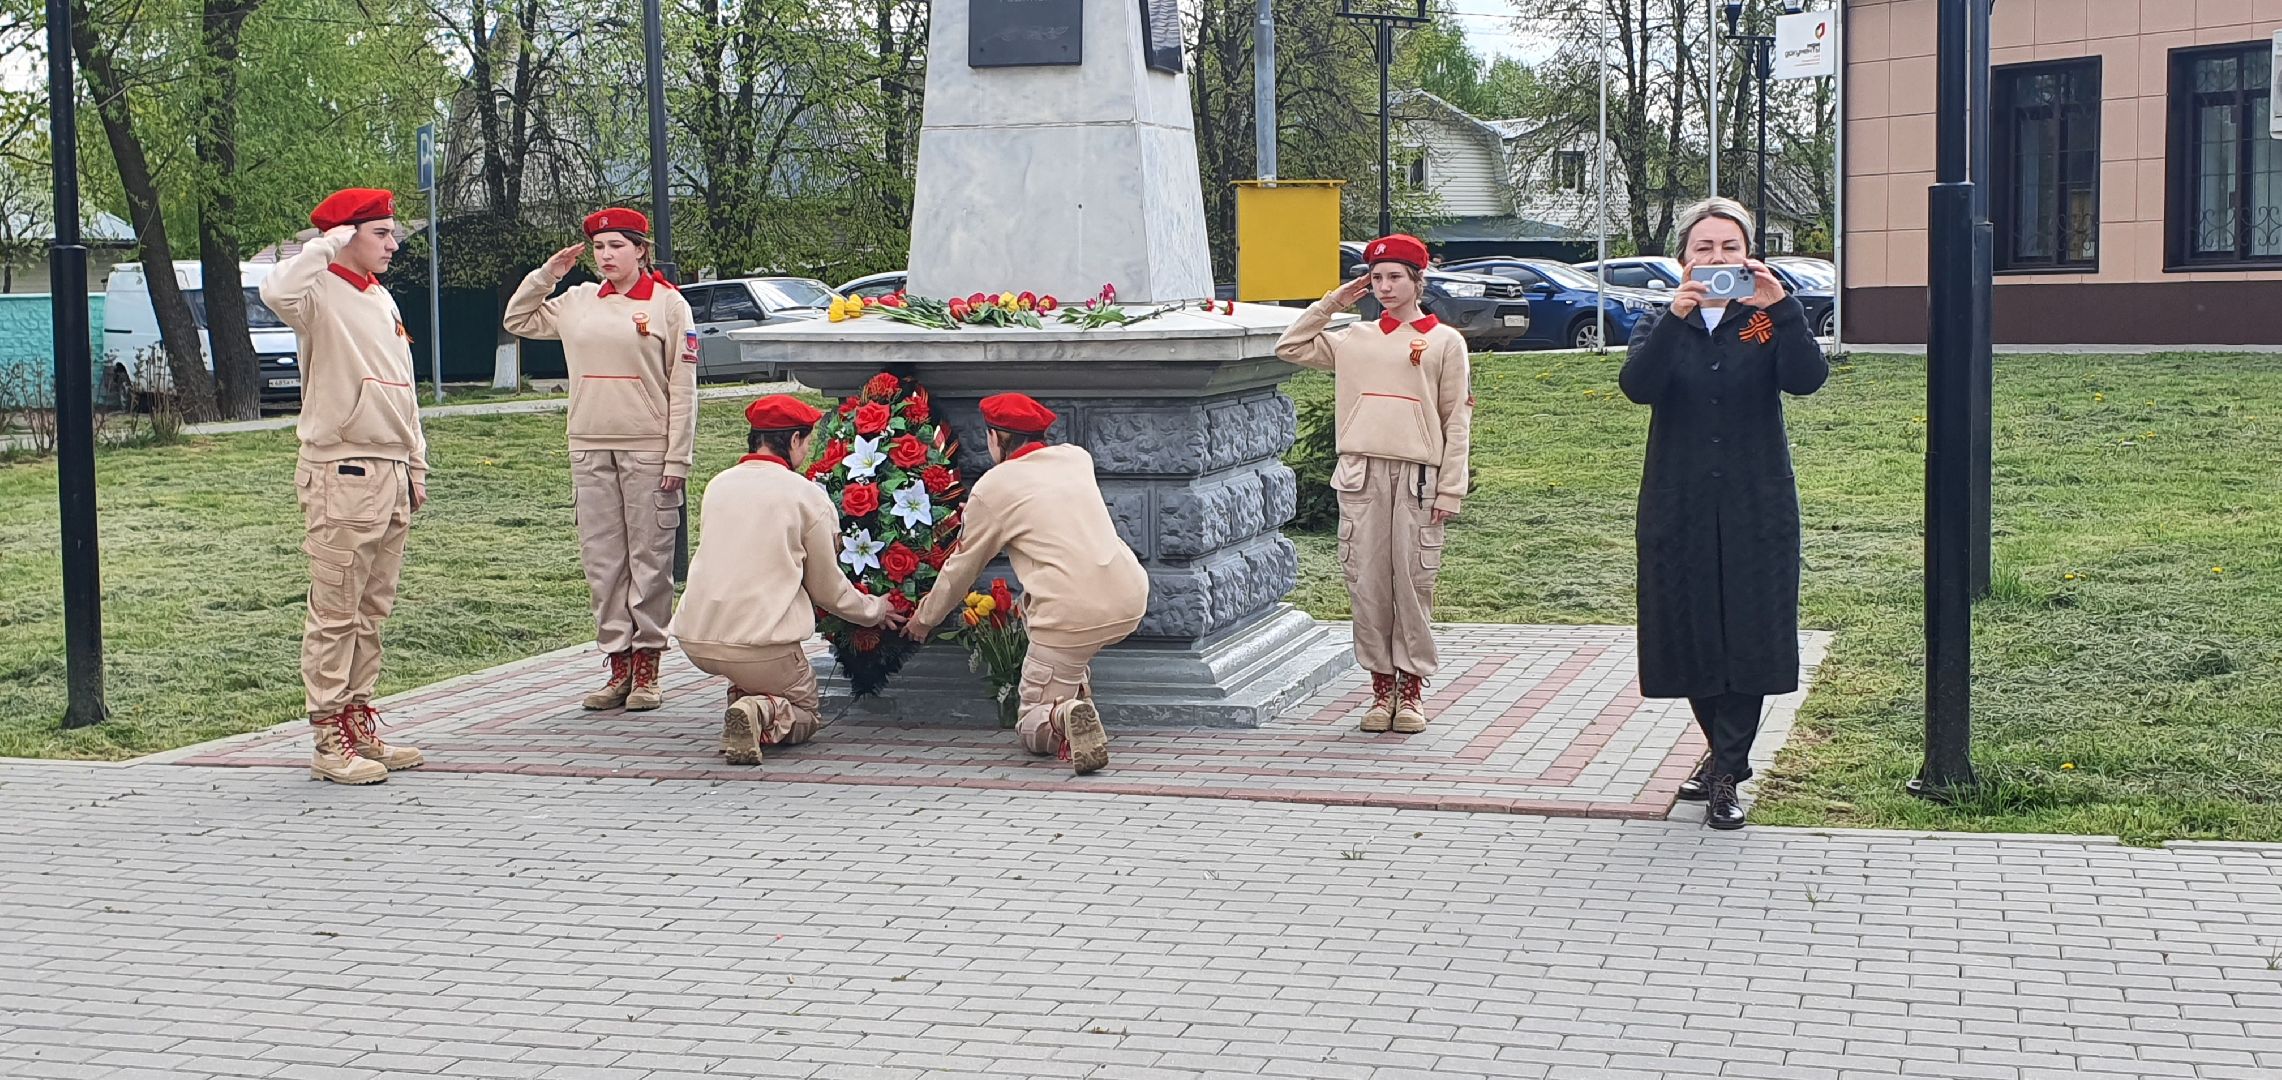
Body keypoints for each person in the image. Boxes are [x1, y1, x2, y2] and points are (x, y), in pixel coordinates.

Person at [1618, 197, 1828, 830]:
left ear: (1749, 255)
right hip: (1677, 501)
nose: (1717, 260)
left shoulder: (1764, 321)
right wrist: (1680, 320)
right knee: (1688, 631)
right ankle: (1721, 755)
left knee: (1752, 631)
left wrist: (1784, 309)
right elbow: (1640, 387)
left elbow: (1806, 379)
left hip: (1754, 500)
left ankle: (1727, 774)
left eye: (1729, 249)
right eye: (1704, 249)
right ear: (1683, 260)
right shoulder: (1660, 323)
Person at [258, 188, 429, 785]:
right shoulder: (317, 292)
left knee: (372, 608)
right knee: (336, 608)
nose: (393, 243)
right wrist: (326, 243)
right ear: (346, 235)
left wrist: (416, 463)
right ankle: (328, 735)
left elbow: (401, 387)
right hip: (342, 469)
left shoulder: (379, 296)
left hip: (389, 469)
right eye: (380, 232)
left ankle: (358, 718)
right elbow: (273, 290)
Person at [1274, 234, 1472, 735]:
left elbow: (1456, 419)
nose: (1384, 287)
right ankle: (1380, 689)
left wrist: (1450, 488)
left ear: (1416, 281)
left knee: (1412, 583)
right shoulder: (1353, 339)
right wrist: (1334, 302)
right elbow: (1290, 345)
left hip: (1418, 479)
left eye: (1395, 277)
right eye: (1377, 278)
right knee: (1366, 585)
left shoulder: (1445, 342)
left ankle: (1412, 692)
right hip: (1362, 475)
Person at [502, 208, 698, 712]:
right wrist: (548, 274)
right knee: (604, 560)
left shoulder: (668, 305)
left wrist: (678, 457)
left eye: (616, 245)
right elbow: (517, 319)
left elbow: (683, 385)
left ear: (640, 249)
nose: (606, 256)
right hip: (589, 445)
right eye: (599, 248)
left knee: (649, 561)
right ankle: (617, 664)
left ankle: (649, 663)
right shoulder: (577, 301)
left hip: (648, 448)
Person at [902, 393, 1149, 775]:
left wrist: (925, 619)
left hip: (1071, 613)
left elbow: (962, 567)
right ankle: (1074, 697)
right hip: (1129, 596)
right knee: (1069, 656)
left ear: (996, 437)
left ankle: (1063, 715)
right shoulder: (1075, 458)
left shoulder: (995, 485)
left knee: (1031, 725)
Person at [668, 396, 906, 764]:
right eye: (807, 443)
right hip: (761, 644)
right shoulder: (806, 496)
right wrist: (875, 610)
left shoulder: (719, 484)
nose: (807, 452)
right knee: (805, 712)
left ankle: (746, 705)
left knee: (750, 669)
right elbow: (828, 589)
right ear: (794, 440)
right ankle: (759, 711)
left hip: (696, 638)